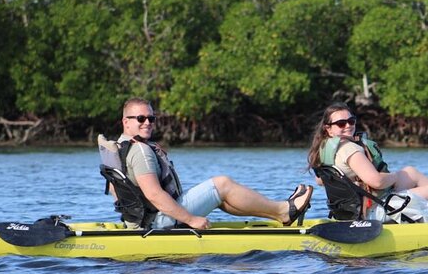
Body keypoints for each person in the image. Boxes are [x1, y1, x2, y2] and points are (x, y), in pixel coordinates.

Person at [106, 97, 312, 230]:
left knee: (220, 198)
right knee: (221, 184)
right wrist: (191, 219)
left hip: (139, 222)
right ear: (126, 122)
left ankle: (277, 215)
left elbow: (116, 191)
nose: (148, 123)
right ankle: (283, 210)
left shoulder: (120, 148)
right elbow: (154, 195)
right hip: (158, 222)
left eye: (151, 118)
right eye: (141, 118)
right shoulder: (140, 151)